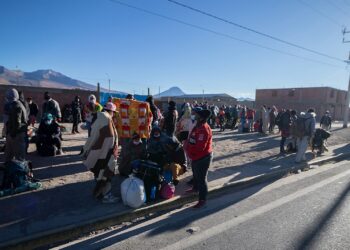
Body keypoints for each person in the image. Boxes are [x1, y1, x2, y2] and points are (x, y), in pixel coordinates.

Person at [81, 102, 119, 203]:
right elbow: (94, 135)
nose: (114, 114)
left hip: (106, 152)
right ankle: (105, 195)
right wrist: (86, 148)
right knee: (105, 173)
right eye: (113, 112)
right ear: (111, 111)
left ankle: (100, 193)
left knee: (102, 173)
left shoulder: (106, 118)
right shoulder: (103, 117)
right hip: (105, 153)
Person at [185, 108, 213, 209]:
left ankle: (202, 200)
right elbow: (190, 138)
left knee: (201, 179)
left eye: (194, 114)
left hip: (203, 157)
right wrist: (187, 148)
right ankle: (195, 188)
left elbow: (200, 147)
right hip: (195, 156)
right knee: (195, 175)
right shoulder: (197, 125)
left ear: (200, 117)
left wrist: (190, 152)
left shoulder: (204, 129)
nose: (192, 115)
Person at [4, 88, 28, 163]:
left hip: (17, 134)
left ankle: (20, 172)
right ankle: (9, 169)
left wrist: (12, 134)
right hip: (16, 133)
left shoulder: (16, 106)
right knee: (10, 153)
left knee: (19, 156)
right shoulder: (19, 104)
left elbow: (17, 122)